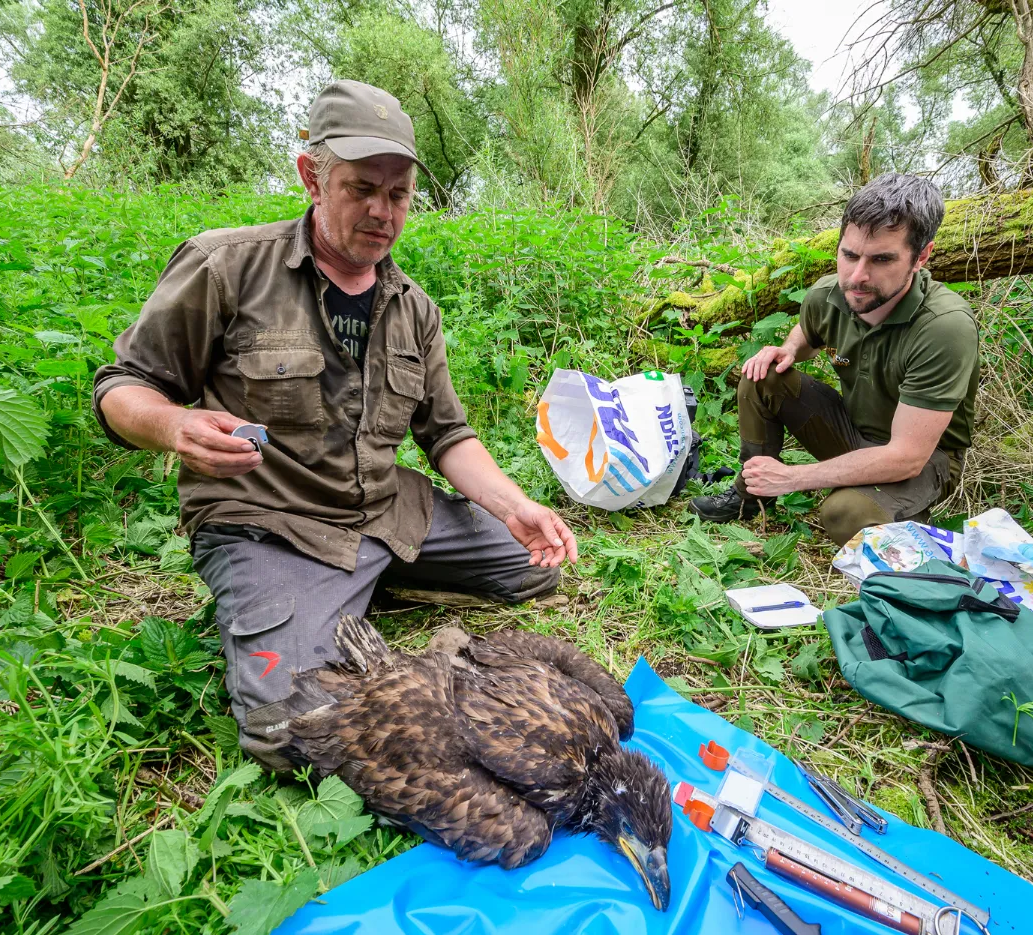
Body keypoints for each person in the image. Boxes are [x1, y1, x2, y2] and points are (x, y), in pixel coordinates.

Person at [92, 80, 578, 769]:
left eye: (399, 194)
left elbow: (447, 436)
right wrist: (173, 426)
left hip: (383, 512)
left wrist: (516, 505)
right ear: (311, 177)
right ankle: (311, 598)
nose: (382, 211)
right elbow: (122, 387)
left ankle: (360, 583)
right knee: (293, 735)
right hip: (271, 522)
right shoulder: (225, 266)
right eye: (361, 189)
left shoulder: (415, 309)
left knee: (534, 570)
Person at [689, 173, 978, 546]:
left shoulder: (943, 327)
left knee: (845, 514)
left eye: (882, 259)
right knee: (763, 374)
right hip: (851, 430)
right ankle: (752, 496)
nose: (857, 276)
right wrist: (789, 350)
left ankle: (897, 513)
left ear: (921, 256)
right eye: (850, 255)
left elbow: (906, 456)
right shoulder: (829, 294)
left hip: (924, 459)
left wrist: (793, 478)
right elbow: (807, 333)